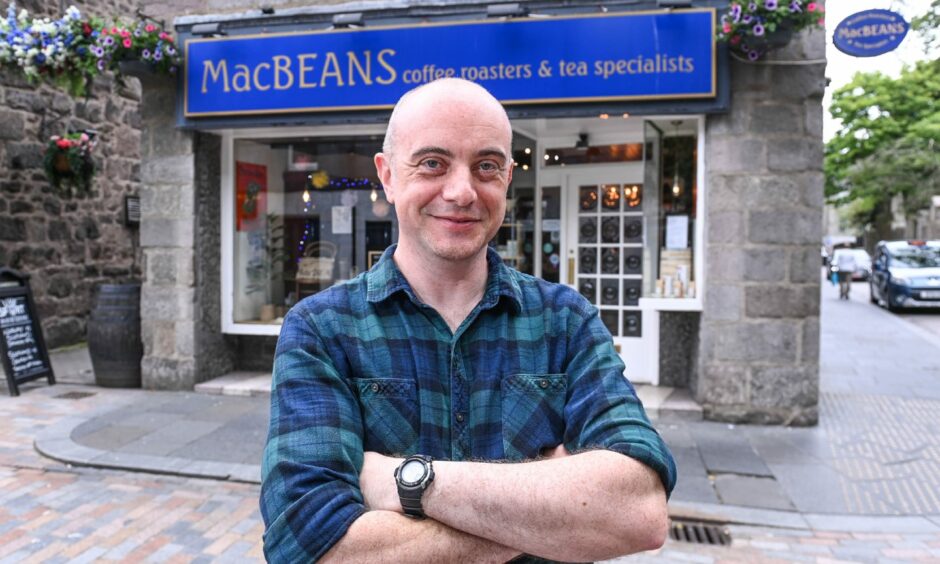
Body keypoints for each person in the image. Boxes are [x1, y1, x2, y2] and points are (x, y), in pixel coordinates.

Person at [260, 78, 676, 563]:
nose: (462, 192)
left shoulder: (566, 320)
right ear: (388, 175)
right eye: (433, 163)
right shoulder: (321, 329)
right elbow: (307, 545)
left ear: (505, 177)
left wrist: (405, 481)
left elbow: (639, 512)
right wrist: (550, 511)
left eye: (487, 166)